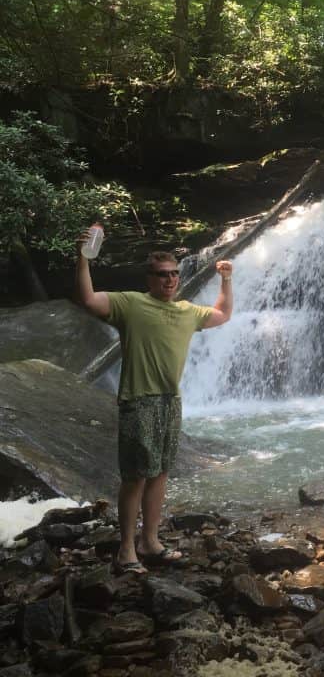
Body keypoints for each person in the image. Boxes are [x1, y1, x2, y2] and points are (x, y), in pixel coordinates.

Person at [75, 234, 233, 574]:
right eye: (163, 274)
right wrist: (84, 258)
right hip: (138, 402)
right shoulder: (130, 304)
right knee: (135, 477)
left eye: (174, 273)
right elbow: (88, 299)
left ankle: (150, 540)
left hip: (170, 402)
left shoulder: (187, 311)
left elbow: (223, 313)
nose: (171, 279)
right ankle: (126, 550)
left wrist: (226, 279)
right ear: (150, 278)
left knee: (160, 472)